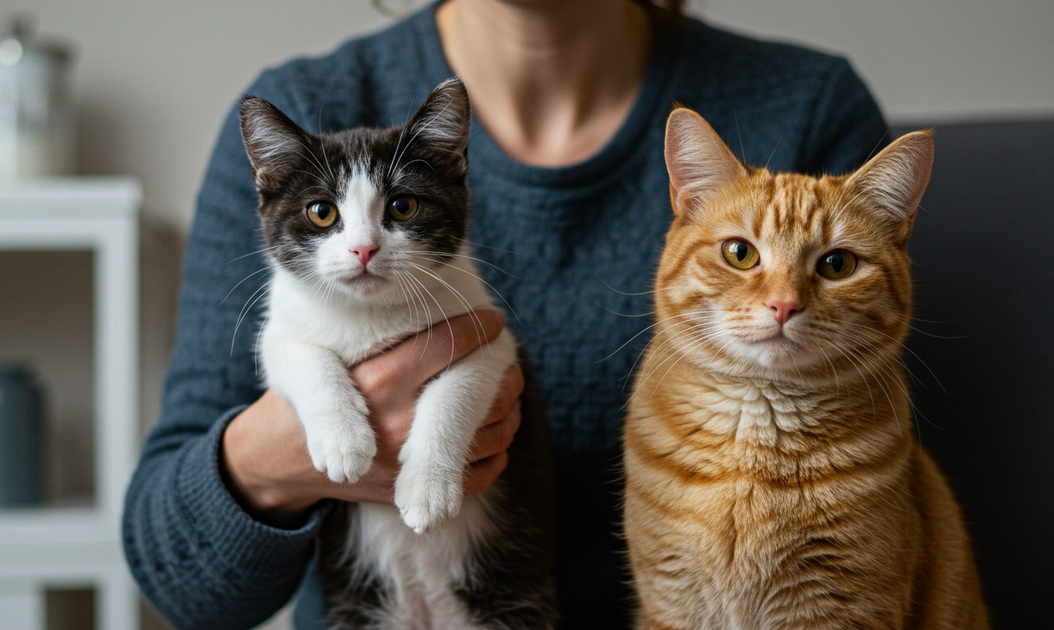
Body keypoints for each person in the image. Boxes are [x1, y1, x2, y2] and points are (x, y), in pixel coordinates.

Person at [122, 1, 889, 628]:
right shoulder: (310, 104)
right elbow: (180, 585)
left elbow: (870, 502)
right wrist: (277, 459)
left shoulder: (805, 106)